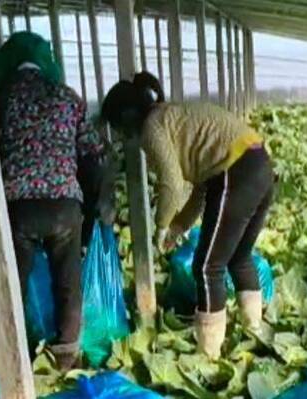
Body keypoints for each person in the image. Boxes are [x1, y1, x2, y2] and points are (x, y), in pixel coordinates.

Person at [101, 72, 275, 359]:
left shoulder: (152, 127)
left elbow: (171, 182)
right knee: (239, 257)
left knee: (207, 267)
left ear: (128, 115)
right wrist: (178, 226)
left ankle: (209, 355)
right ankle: (253, 330)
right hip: (259, 164)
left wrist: (161, 225)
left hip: (238, 172)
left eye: (118, 126)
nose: (121, 134)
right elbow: (201, 189)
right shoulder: (173, 117)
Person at [0, 32, 109, 370]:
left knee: (13, 281)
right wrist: (91, 209)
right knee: (67, 282)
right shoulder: (67, 97)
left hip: (18, 208)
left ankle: (16, 357)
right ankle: (66, 358)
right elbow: (94, 155)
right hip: (63, 205)